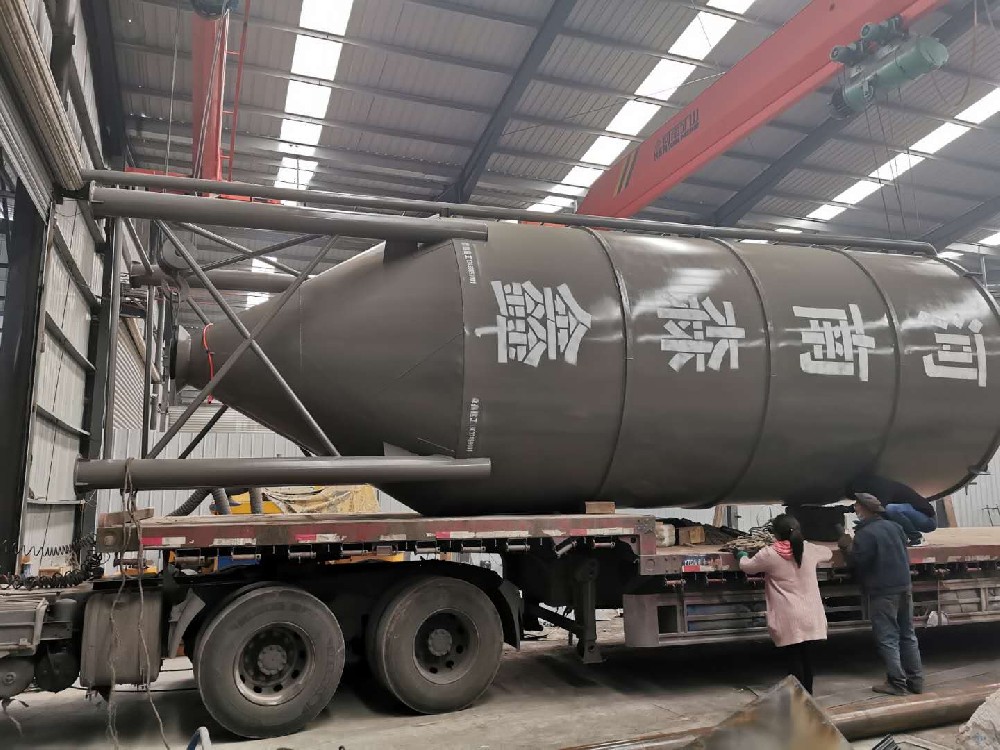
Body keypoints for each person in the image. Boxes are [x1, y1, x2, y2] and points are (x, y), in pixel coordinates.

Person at [838, 492, 924, 696]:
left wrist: (846, 546)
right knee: (908, 635)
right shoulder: (895, 527)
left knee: (888, 637)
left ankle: (897, 683)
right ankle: (916, 681)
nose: (855, 508)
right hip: (904, 586)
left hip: (883, 591)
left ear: (864, 509)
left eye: (857, 505)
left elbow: (857, 562)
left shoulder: (865, 534)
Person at [736, 513, 832, 694]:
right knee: (807, 658)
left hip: (789, 617)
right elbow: (828, 553)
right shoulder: (808, 549)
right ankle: (808, 696)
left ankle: (798, 699)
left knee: (793, 657)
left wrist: (741, 555)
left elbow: (747, 566)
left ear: (775, 534)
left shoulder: (770, 554)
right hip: (810, 614)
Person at [850, 476, 937, 546]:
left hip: (928, 521)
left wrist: (864, 526)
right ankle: (904, 537)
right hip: (916, 517)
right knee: (888, 512)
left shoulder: (884, 488)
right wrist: (849, 509)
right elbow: (868, 506)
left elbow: (878, 510)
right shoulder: (877, 488)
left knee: (890, 509)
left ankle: (917, 538)